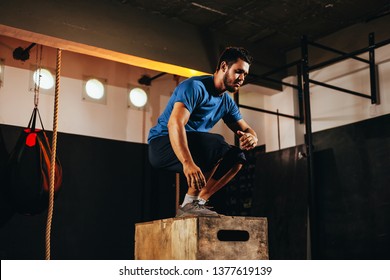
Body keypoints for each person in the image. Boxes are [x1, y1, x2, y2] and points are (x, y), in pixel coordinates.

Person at [148, 47, 258, 217]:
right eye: (238, 72)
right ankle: (190, 203)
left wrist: (252, 137)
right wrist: (187, 163)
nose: (242, 78)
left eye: (245, 74)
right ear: (223, 67)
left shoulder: (226, 102)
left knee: (236, 157)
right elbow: (175, 124)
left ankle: (197, 202)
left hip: (193, 145)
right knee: (217, 144)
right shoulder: (195, 87)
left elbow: (246, 128)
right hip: (162, 144)